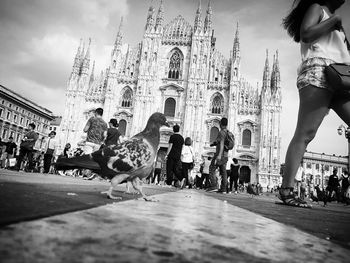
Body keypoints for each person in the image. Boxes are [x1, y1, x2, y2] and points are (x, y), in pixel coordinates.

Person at [279, 0, 350, 207]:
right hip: (319, 74)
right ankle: (286, 189)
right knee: (305, 133)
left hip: (340, 78)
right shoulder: (318, 8)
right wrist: (334, 21)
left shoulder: (335, 22)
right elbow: (306, 34)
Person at [207, 117, 229, 193]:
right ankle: (223, 189)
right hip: (226, 155)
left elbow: (222, 143)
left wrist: (219, 155)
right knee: (223, 172)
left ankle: (214, 185)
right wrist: (214, 143)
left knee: (212, 168)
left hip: (220, 154)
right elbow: (220, 142)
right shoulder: (228, 132)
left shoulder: (221, 132)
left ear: (220, 124)